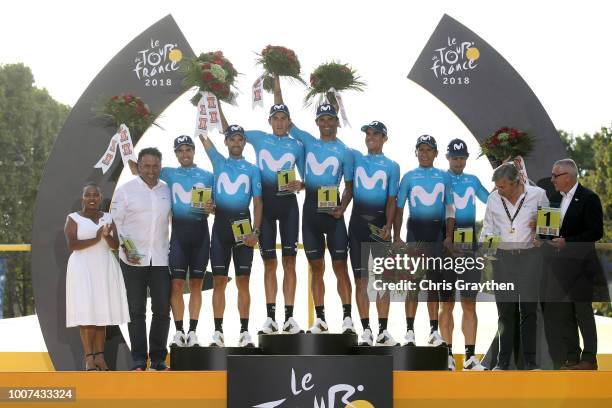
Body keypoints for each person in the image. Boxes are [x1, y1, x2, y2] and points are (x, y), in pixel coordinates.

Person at [243, 76, 305, 335]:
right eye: (275, 118)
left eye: (284, 119)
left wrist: (300, 185)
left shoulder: (297, 145)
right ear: (269, 121)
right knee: (269, 263)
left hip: (289, 207)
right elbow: (230, 133)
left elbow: (306, 179)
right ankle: (270, 318)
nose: (280, 123)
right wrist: (212, 100)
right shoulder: (258, 138)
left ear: (289, 122)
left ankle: (289, 317)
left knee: (290, 262)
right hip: (265, 209)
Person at [288, 103, 355, 334]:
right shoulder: (307, 141)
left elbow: (349, 187)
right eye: (322, 119)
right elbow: (286, 120)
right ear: (317, 122)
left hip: (333, 213)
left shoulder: (345, 151)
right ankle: (321, 319)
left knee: (340, 267)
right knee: (316, 268)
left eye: (330, 119)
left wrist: (343, 208)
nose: (326, 123)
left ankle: (348, 318)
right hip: (310, 212)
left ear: (337, 121)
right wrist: (276, 79)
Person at [199, 123, 263, 347]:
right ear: (225, 142)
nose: (236, 143)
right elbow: (203, 136)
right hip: (220, 229)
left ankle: (245, 332)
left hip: (244, 230)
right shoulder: (218, 161)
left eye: (240, 139)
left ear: (244, 142)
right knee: (219, 281)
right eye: (232, 139)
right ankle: (218, 332)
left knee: (243, 281)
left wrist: (256, 231)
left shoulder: (253, 169)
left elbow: (258, 201)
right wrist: (206, 102)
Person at [480, 162, 548, 370]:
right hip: (503, 260)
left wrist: (541, 233)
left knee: (528, 310)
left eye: (503, 186)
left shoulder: (539, 194)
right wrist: (489, 253)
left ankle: (531, 362)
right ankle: (502, 363)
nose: (499, 190)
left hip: (530, 257)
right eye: (497, 186)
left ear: (516, 182)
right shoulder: (493, 198)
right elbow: (488, 228)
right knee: (505, 312)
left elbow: (551, 224)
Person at [111, 147, 172, 371]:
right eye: (146, 166)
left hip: (160, 260)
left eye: (155, 166)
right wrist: (126, 250)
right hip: (132, 261)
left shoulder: (167, 190)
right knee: (136, 311)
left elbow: (175, 219)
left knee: (162, 310)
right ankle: (138, 360)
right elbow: (114, 225)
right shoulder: (125, 191)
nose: (151, 170)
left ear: (160, 166)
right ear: (139, 166)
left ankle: (157, 359)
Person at [394, 135, 455, 347]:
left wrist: (449, 235)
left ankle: (433, 331)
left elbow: (450, 208)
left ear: (436, 153)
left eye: (428, 150)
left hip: (437, 236)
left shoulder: (444, 177)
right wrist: (396, 235)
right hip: (415, 234)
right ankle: (409, 332)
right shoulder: (409, 176)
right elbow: (399, 208)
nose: (424, 153)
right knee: (412, 284)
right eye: (420, 149)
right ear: (416, 152)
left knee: (433, 285)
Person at [544, 158, 605, 370]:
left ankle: (589, 359)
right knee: (562, 313)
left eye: (555, 175)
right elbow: (549, 231)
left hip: (581, 266)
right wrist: (540, 232)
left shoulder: (589, 198)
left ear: (568, 177)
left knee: (582, 312)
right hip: (559, 267)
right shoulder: (553, 199)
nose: (552, 179)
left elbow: (596, 232)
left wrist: (567, 242)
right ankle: (572, 357)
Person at [65, 182, 130, 371]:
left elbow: (115, 246)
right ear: (83, 198)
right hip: (82, 268)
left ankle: (100, 358)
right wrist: (96, 237)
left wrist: (107, 236)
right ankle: (88, 359)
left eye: (95, 195)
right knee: (86, 314)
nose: (92, 198)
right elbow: (72, 245)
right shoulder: (73, 218)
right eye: (88, 195)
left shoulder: (108, 218)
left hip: (104, 266)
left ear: (100, 198)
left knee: (102, 314)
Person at [349, 120, 400, 346]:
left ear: (384, 138)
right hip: (357, 225)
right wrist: (340, 207)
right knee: (361, 279)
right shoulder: (356, 159)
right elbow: (348, 189)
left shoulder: (392, 165)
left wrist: (388, 225)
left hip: (380, 226)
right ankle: (366, 330)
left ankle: (383, 331)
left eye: (375, 134)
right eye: (368, 133)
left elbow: (392, 199)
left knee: (382, 281)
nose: (370, 137)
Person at [160, 135, 214, 348]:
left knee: (197, 286)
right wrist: (126, 143)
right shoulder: (168, 173)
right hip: (179, 237)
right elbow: (141, 169)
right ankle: (179, 332)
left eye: (188, 150)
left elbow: (215, 205)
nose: (184, 154)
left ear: (194, 151)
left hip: (200, 236)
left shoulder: (208, 175)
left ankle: (192, 332)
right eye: (180, 150)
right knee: (176, 285)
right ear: (175, 154)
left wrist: (211, 207)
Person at [440, 139, 489, 370]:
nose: (458, 162)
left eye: (462, 158)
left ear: (466, 159)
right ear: (447, 158)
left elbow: (493, 202)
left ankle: (470, 357)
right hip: (446, 246)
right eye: (454, 158)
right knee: (447, 303)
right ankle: (447, 355)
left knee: (469, 303)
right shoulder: (440, 179)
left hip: (469, 244)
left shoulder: (472, 180)